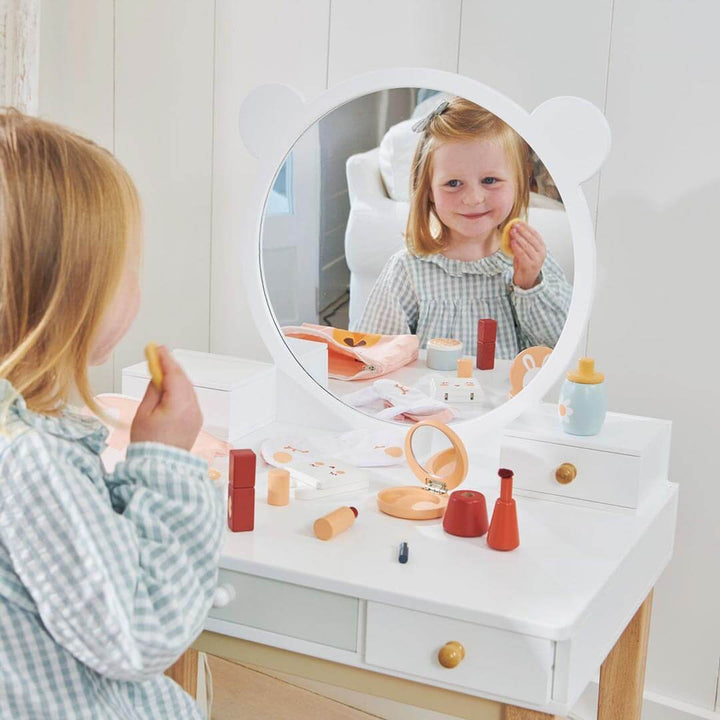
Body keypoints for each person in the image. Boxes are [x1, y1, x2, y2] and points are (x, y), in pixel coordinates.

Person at [0, 110, 223, 718]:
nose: (137, 288)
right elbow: (139, 627)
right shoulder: (29, 459)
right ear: (72, 294)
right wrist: (165, 464)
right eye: (128, 270)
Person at [352, 97, 572, 359]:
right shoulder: (409, 270)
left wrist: (529, 284)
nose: (473, 199)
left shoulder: (532, 264)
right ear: (429, 191)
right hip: (429, 397)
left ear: (517, 182)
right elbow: (376, 354)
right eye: (454, 183)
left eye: (490, 180)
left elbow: (562, 347)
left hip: (509, 397)